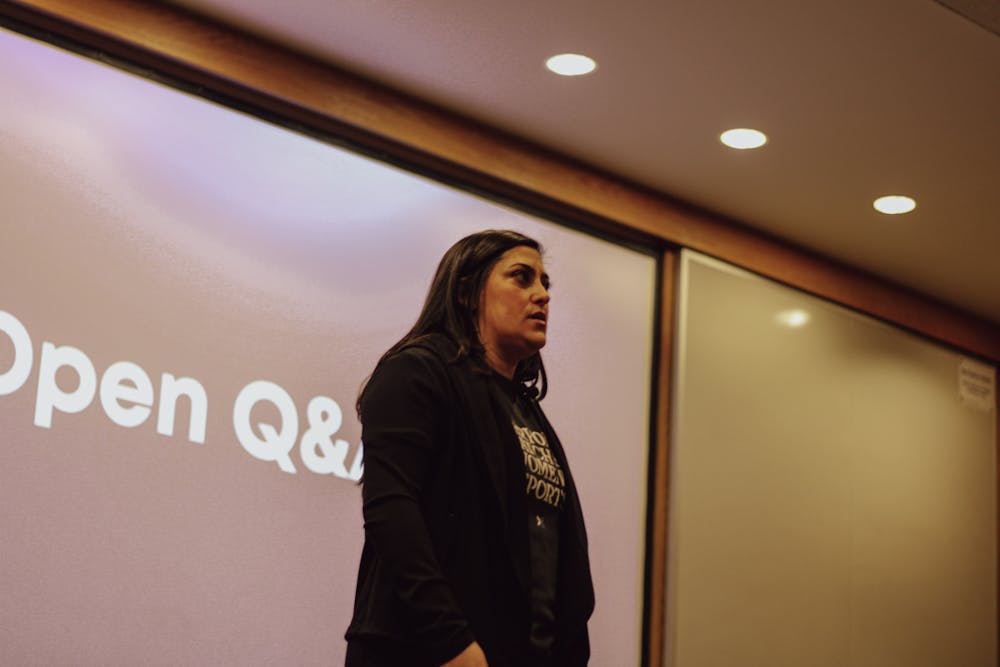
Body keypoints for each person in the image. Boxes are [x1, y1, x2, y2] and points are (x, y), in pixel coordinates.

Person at [344, 230, 594, 667]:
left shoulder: (529, 413)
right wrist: (452, 643)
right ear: (466, 291)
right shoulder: (417, 371)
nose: (541, 295)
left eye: (545, 283)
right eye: (521, 278)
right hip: (433, 652)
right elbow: (391, 510)